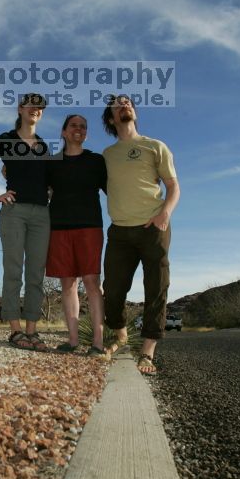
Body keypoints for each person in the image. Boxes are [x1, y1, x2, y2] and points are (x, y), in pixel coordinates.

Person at [101, 94, 180, 374]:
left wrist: (164, 215)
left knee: (156, 287)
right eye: (118, 104)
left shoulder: (154, 146)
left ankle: (147, 352)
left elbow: (173, 186)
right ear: (111, 118)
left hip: (153, 227)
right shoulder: (107, 156)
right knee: (111, 289)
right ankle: (121, 336)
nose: (126, 105)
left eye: (129, 102)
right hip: (119, 231)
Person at [0, 93, 51, 350]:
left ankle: (33, 331)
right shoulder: (6, 140)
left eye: (40, 107)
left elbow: (46, 178)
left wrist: (50, 190)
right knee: (14, 270)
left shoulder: (43, 145)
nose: (35, 110)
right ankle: (16, 331)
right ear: (20, 109)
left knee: (36, 273)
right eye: (31, 105)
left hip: (42, 214)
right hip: (14, 212)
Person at [45, 114, 107, 354]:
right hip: (59, 228)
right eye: (73, 125)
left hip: (89, 227)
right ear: (63, 132)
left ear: (86, 134)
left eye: (83, 126)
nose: (78, 129)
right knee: (68, 283)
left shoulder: (96, 161)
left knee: (92, 282)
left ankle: (98, 344)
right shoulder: (52, 163)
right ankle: (73, 341)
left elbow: (113, 190)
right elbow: (38, 186)